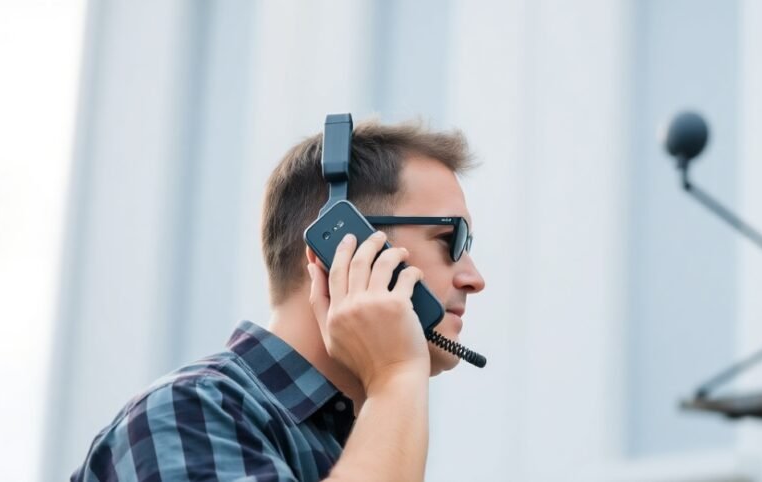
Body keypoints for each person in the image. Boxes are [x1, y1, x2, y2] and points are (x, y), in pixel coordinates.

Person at [72, 120, 487, 481]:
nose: (474, 279)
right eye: (450, 240)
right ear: (344, 244)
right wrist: (396, 375)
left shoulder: (357, 448)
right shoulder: (188, 414)